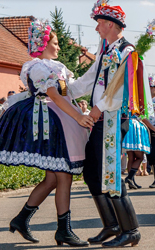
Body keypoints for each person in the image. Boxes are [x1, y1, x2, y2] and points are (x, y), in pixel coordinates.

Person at [0, 19, 94, 247]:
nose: (59, 47)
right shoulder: (37, 67)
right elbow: (53, 94)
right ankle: (63, 230)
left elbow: (74, 88)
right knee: (63, 176)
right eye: (55, 42)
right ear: (43, 44)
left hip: (59, 119)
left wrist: (98, 73)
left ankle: (21, 219)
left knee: (53, 177)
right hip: (50, 122)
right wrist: (78, 116)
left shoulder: (58, 67)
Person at [68, 2, 141, 247]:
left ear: (110, 24)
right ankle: (111, 225)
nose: (97, 28)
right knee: (92, 173)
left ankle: (130, 230)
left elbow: (120, 90)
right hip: (101, 119)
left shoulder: (126, 51)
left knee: (110, 174)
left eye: (99, 23)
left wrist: (98, 108)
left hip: (111, 118)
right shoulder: (106, 50)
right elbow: (91, 79)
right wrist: (66, 90)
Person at [122, 116, 150, 189]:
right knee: (139, 157)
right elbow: (142, 115)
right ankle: (130, 177)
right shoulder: (138, 104)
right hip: (136, 127)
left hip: (127, 125)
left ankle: (132, 182)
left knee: (131, 158)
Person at [143, 75, 155, 188]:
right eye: (152, 86)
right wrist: (151, 127)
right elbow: (142, 116)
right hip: (149, 130)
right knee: (152, 156)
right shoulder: (144, 100)